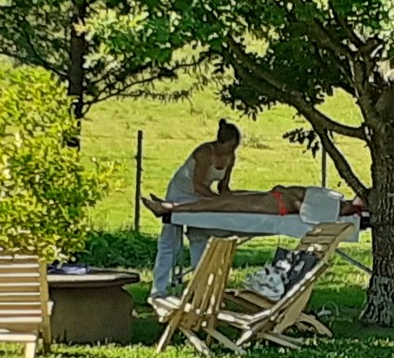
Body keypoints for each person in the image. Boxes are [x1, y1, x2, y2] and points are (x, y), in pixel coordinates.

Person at [150, 119, 241, 299]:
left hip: (201, 197)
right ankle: (158, 290)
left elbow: (223, 187)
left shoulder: (230, 157)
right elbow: (197, 185)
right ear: (219, 143)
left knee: (199, 237)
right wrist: (216, 201)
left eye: (234, 148)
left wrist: (232, 201)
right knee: (170, 242)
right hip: (181, 193)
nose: (230, 152)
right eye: (228, 147)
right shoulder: (205, 153)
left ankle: (199, 290)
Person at [143, 185, 367, 218]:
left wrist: (287, 194)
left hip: (274, 205)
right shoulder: (341, 202)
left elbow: (306, 208)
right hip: (275, 198)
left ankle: (166, 209)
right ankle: (169, 204)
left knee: (220, 204)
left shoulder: (344, 208)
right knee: (225, 198)